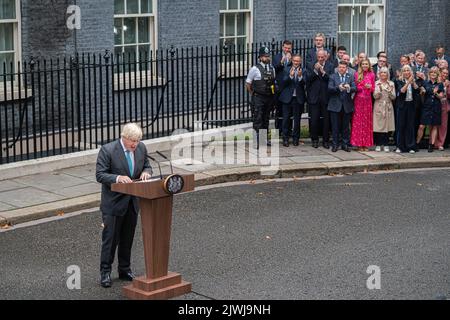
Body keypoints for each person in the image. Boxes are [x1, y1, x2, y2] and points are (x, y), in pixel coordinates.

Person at [96, 123, 153, 288]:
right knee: (110, 240)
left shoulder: (141, 148)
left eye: (138, 140)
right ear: (124, 137)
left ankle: (124, 269)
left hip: (132, 202)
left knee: (127, 239)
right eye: (132, 141)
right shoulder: (107, 150)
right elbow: (100, 175)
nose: (135, 144)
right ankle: (105, 272)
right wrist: (117, 178)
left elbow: (147, 165)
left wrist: (146, 172)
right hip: (113, 204)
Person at [246, 46, 276, 149]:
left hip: (269, 97)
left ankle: (263, 140)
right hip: (258, 97)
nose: (267, 58)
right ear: (260, 57)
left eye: (268, 56)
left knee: (266, 119)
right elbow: (248, 83)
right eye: (265, 56)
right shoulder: (255, 69)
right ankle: (256, 141)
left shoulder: (272, 68)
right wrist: (253, 94)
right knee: (257, 119)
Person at [305, 49, 334, 149]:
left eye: (323, 57)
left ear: (326, 57)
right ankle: (315, 140)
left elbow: (331, 79)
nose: (321, 59)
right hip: (314, 97)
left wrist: (323, 72)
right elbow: (307, 79)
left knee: (326, 121)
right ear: (316, 57)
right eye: (319, 57)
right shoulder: (311, 65)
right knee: (314, 120)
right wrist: (315, 71)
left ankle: (325, 141)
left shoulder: (330, 65)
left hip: (326, 97)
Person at [328, 61, 356, 152]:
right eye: (340, 67)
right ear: (338, 68)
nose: (341, 69)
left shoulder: (350, 76)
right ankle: (335, 145)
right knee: (335, 127)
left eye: (343, 67)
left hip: (347, 105)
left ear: (346, 68)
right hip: (335, 105)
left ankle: (345, 144)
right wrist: (338, 87)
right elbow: (329, 89)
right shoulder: (332, 76)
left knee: (345, 127)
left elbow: (355, 88)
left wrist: (349, 88)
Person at [279, 54, 306, 147]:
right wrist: (290, 76)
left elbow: (305, 83)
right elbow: (283, 82)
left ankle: (296, 139)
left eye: (298, 61)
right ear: (292, 61)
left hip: (298, 98)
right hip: (287, 98)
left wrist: (300, 77)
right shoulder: (286, 69)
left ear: (300, 61)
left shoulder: (304, 70)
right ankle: (285, 139)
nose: (296, 63)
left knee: (297, 120)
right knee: (286, 119)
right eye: (294, 61)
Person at [416, 67, 445, 152]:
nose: (433, 74)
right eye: (431, 72)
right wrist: (422, 91)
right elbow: (422, 93)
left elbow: (441, 96)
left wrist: (436, 92)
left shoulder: (440, 84)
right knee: (422, 126)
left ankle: (431, 145)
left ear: (437, 75)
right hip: (426, 107)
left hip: (436, 107)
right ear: (429, 74)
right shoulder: (425, 83)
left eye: (435, 73)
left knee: (434, 125)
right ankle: (417, 143)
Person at [351, 58, 375, 151]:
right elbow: (355, 88)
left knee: (366, 122)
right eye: (363, 64)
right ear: (360, 65)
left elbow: (373, 89)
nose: (365, 65)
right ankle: (358, 144)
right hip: (359, 100)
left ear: (369, 65)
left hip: (368, 101)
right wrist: (363, 87)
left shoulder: (372, 74)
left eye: (366, 64)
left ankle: (366, 144)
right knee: (358, 122)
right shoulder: (357, 74)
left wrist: (370, 87)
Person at [395, 65, 421, 153]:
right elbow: (401, 91)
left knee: (410, 126)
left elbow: (417, 90)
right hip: (402, 105)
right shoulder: (399, 81)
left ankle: (410, 146)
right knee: (400, 126)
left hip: (411, 105)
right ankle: (400, 146)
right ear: (402, 72)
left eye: (408, 70)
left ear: (410, 72)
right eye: (404, 70)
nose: (406, 72)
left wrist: (413, 82)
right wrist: (408, 83)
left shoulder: (413, 81)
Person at [373, 67, 396, 152]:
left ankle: (386, 144)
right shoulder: (376, 83)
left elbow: (394, 97)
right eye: (381, 72)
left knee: (387, 126)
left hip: (388, 106)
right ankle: (378, 144)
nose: (383, 74)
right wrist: (380, 90)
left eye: (385, 72)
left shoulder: (391, 83)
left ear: (387, 74)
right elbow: (375, 96)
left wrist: (390, 91)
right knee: (378, 126)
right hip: (379, 106)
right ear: (379, 74)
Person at [273, 40, 293, 132]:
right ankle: (278, 130)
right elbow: (275, 69)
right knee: (279, 110)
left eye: (289, 48)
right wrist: (282, 61)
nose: (287, 50)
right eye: (285, 47)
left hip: (289, 87)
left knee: (289, 111)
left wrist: (290, 61)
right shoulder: (277, 57)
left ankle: (288, 130)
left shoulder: (293, 57)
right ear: (282, 47)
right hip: (279, 88)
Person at [435, 68, 450, 150]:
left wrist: (447, 87)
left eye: (446, 73)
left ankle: (441, 143)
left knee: (443, 126)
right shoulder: (437, 81)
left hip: (444, 105)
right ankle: (433, 142)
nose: (445, 75)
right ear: (440, 73)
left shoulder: (448, 83)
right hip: (435, 105)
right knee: (434, 125)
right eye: (443, 73)